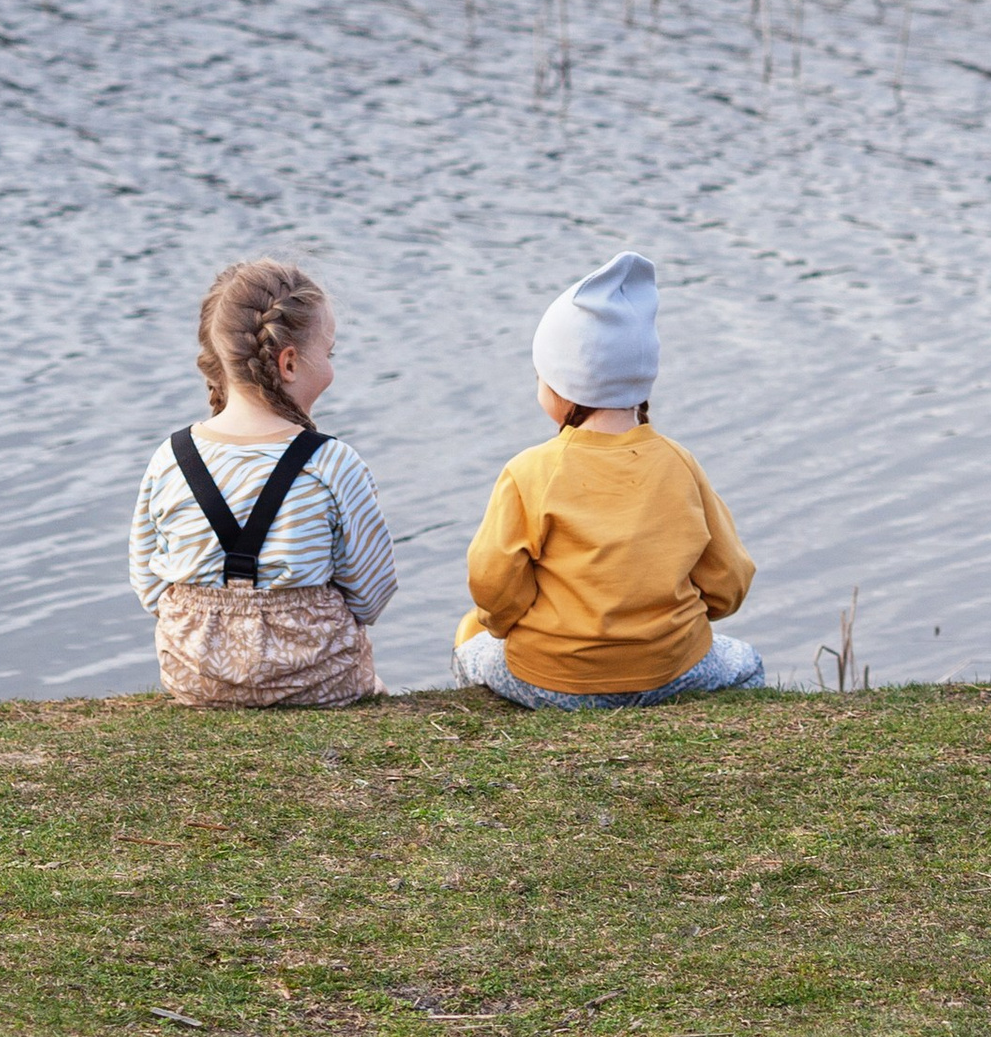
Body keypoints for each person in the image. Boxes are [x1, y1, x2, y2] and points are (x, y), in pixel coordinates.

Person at [454, 251, 764, 707]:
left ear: (561, 387)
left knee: (469, 642)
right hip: (671, 670)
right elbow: (729, 579)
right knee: (747, 661)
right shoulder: (679, 462)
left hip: (555, 679)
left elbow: (494, 583)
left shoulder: (529, 471)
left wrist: (501, 624)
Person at [128, 257, 398, 707]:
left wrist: (217, 626)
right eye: (328, 355)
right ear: (289, 363)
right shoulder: (333, 463)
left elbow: (148, 583)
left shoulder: (172, 458)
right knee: (375, 684)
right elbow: (371, 593)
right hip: (315, 681)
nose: (331, 369)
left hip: (197, 678)